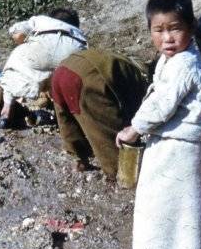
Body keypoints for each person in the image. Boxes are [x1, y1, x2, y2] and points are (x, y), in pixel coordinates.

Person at [116, 0, 201, 249]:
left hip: (181, 154)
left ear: (190, 27)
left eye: (174, 28)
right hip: (181, 152)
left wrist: (133, 129)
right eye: (158, 30)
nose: (167, 37)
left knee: (173, 221)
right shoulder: (173, 61)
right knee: (181, 221)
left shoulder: (185, 64)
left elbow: (161, 105)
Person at [0, 9, 87, 128]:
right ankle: (67, 119)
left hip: (39, 53)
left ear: (52, 17)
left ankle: (6, 112)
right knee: (63, 83)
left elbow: (17, 32)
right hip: (73, 54)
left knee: (15, 65)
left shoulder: (42, 21)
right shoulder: (79, 35)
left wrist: (25, 42)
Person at [51, 49, 148, 177]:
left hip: (60, 73)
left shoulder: (116, 59)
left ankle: (79, 161)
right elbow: (134, 111)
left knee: (67, 121)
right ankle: (118, 174)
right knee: (105, 129)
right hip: (88, 77)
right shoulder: (137, 76)